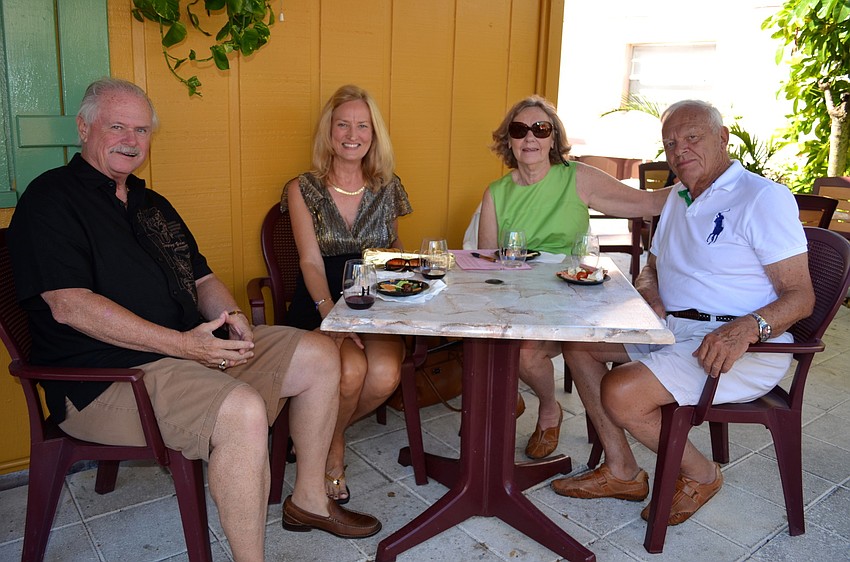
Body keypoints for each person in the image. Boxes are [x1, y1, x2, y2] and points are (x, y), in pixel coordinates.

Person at [6, 78, 381, 562]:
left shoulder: (150, 204)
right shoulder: (51, 199)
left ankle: (309, 500)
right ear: (83, 127)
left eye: (141, 130)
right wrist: (185, 346)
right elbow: (68, 304)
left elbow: (202, 279)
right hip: (108, 376)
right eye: (116, 126)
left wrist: (233, 318)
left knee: (320, 354)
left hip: (190, 350)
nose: (131, 140)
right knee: (242, 411)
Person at [551, 99, 815, 525]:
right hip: (674, 328)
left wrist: (746, 329)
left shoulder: (761, 198)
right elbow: (653, 266)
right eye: (670, 143)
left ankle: (702, 474)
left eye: (693, 137)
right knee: (579, 345)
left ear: (723, 138)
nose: (680, 151)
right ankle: (622, 471)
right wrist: (650, 290)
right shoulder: (678, 195)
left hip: (738, 346)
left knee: (621, 391)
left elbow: (801, 296)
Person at [478, 95, 670, 459]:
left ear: (553, 138)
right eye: (520, 131)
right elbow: (488, 262)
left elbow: (645, 204)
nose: (530, 138)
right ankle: (543, 404)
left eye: (541, 129)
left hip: (573, 299)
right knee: (507, 354)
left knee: (524, 357)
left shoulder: (577, 178)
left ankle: (546, 411)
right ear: (509, 141)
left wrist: (701, 183)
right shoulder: (496, 193)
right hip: (521, 300)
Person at [283, 84, 411, 504]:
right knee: (351, 372)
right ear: (329, 132)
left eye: (362, 125)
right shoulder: (302, 187)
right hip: (323, 302)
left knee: (385, 376)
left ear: (374, 135)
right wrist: (331, 318)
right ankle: (332, 456)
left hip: (373, 304)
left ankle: (316, 436)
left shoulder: (388, 186)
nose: (352, 134)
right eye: (343, 124)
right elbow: (310, 262)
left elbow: (391, 258)